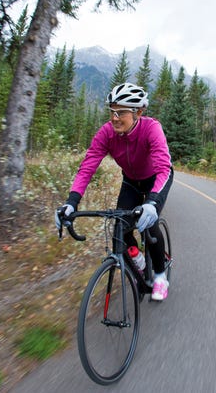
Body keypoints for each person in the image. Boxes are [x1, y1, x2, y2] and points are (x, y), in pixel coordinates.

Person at [55, 82, 174, 301]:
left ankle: (159, 276)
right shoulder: (107, 133)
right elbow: (87, 167)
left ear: (138, 112)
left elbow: (163, 169)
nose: (114, 117)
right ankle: (136, 257)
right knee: (122, 226)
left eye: (121, 112)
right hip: (131, 181)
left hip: (155, 180)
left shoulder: (151, 128)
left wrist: (153, 203)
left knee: (149, 224)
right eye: (112, 111)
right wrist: (71, 202)